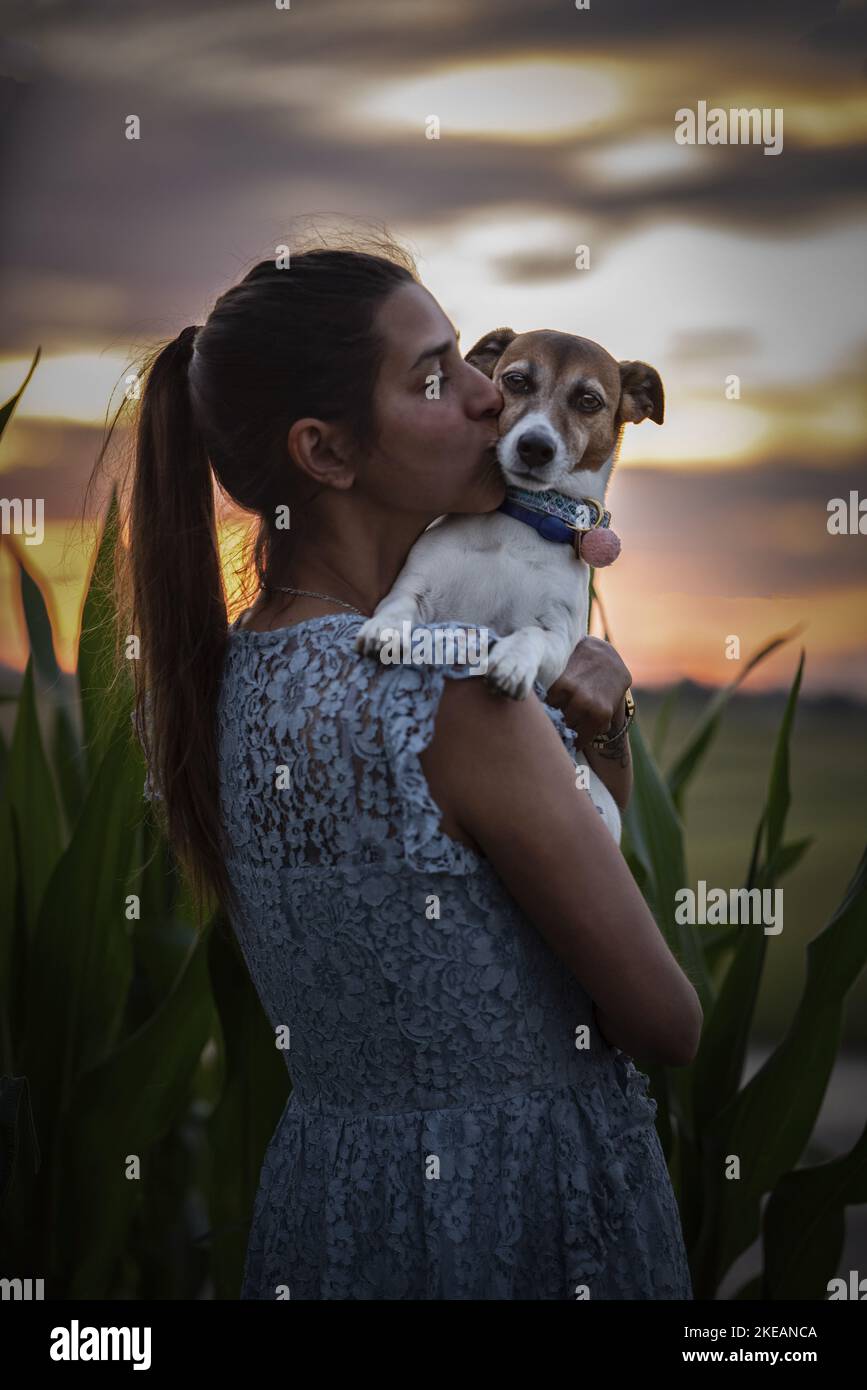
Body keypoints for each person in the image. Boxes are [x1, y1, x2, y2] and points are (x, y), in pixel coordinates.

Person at [120, 233, 701, 1299]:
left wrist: (598, 730)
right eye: (439, 376)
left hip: (335, 1220)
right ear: (327, 456)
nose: (490, 400)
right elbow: (667, 1024)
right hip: (518, 1221)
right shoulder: (464, 698)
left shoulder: (229, 680)